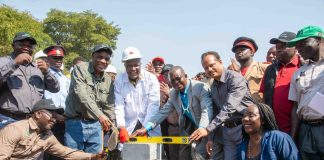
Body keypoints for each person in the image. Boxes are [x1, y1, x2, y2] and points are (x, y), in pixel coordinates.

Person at [131, 66, 212, 160]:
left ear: (185, 75)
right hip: (188, 132)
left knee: (199, 157)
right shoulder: (173, 93)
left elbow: (207, 110)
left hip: (207, 130)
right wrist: (146, 128)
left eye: (178, 78)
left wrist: (202, 128)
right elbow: (162, 113)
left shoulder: (199, 87)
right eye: (173, 81)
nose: (176, 82)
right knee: (183, 157)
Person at [190, 51, 254, 160]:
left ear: (220, 62)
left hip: (244, 129)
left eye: (212, 65)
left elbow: (229, 108)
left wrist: (207, 129)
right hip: (228, 131)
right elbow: (216, 112)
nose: (209, 69)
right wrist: (211, 138)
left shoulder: (235, 79)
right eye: (206, 68)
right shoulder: (214, 85)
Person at [0, 99, 105, 160]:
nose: (54, 119)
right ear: (38, 114)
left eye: (56, 116)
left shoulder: (47, 136)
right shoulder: (15, 130)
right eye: (51, 115)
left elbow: (66, 152)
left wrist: (93, 156)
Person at [0, 32, 59, 128]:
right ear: (13, 45)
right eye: (22, 44)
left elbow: (55, 88)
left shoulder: (37, 67)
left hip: (33, 121)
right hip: (8, 119)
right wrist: (15, 63)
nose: (26, 47)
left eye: (30, 45)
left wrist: (47, 72)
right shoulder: (3, 61)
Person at [64, 44, 116, 153]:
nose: (103, 61)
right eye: (100, 57)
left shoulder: (108, 79)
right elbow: (82, 95)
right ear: (92, 57)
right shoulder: (80, 69)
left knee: (95, 157)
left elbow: (109, 105)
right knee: (74, 157)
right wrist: (100, 115)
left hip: (96, 126)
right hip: (75, 123)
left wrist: (112, 124)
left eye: (107, 59)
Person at [288, 26, 324, 159]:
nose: (299, 49)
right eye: (297, 46)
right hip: (306, 128)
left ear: (319, 40)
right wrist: (293, 137)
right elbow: (295, 107)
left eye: (303, 43)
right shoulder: (298, 73)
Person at [114, 46, 161, 144]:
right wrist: (121, 127)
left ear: (140, 64)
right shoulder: (119, 80)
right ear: (124, 65)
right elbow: (119, 106)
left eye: (136, 65)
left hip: (148, 125)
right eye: (129, 66)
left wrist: (145, 128)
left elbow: (153, 105)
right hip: (129, 126)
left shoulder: (151, 78)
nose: (133, 69)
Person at [259, 31, 300, 135]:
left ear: (295, 47)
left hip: (299, 128)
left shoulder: (302, 66)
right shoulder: (270, 69)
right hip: (273, 129)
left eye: (284, 46)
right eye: (277, 47)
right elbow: (264, 97)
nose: (279, 50)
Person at [43, 45, 71, 160]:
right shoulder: (42, 75)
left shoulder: (65, 79)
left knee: (60, 152)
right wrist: (53, 115)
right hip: (47, 118)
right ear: (48, 59)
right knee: (47, 153)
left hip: (63, 119)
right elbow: (41, 98)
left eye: (60, 58)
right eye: (55, 58)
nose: (58, 61)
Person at [230, 37, 269, 103]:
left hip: (258, 110)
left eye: (242, 49)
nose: (238, 52)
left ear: (251, 52)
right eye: (236, 51)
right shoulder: (232, 72)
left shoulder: (264, 68)